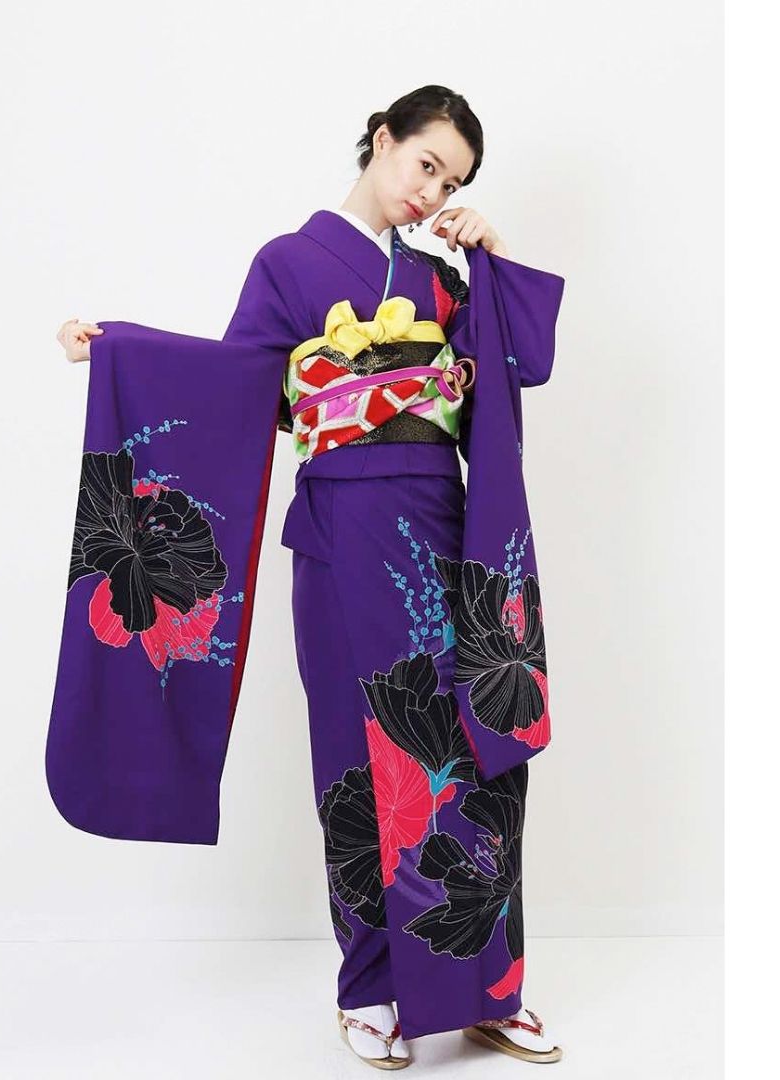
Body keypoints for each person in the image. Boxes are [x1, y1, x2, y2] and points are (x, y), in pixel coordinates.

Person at [54, 85, 564, 1068]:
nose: (432, 192)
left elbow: (521, 366)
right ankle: (369, 987)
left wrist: (492, 260)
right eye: (426, 164)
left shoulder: (443, 276)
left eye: (451, 182)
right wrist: (117, 350)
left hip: (441, 531)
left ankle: (487, 986)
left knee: (475, 747)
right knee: (357, 761)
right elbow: (231, 390)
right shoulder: (288, 263)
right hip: (339, 529)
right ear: (383, 139)